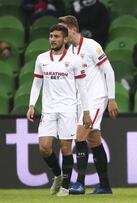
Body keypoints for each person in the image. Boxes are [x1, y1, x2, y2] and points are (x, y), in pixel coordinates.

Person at [26, 24, 91, 196]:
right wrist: (32, 104)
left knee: (66, 148)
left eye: (56, 36)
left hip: (68, 109)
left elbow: (82, 88)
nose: (53, 39)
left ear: (64, 39)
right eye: (51, 36)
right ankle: (57, 175)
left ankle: (65, 187)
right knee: (44, 148)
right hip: (48, 110)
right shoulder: (41, 59)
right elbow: (37, 83)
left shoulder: (75, 60)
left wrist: (86, 112)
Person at [58, 15, 118, 195]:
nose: (60, 34)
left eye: (63, 30)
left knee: (79, 137)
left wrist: (111, 99)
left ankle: (80, 183)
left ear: (72, 29)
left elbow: (109, 71)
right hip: (83, 102)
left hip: (97, 98)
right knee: (94, 141)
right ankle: (105, 186)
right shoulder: (71, 52)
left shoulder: (92, 46)